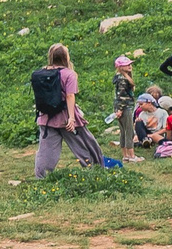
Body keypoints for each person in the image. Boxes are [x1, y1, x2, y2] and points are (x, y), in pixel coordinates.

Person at [31, 43, 103, 176]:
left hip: (46, 118)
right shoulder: (69, 74)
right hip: (65, 117)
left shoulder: (42, 73)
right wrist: (71, 118)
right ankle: (96, 170)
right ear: (66, 57)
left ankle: (42, 176)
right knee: (85, 142)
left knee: (46, 150)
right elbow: (70, 96)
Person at [110, 55, 137, 161]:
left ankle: (125, 155)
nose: (130, 66)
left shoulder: (119, 77)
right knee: (129, 131)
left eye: (130, 64)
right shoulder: (123, 79)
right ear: (120, 67)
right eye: (126, 64)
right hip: (125, 107)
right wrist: (120, 109)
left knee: (123, 131)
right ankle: (132, 156)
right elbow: (122, 95)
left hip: (119, 107)